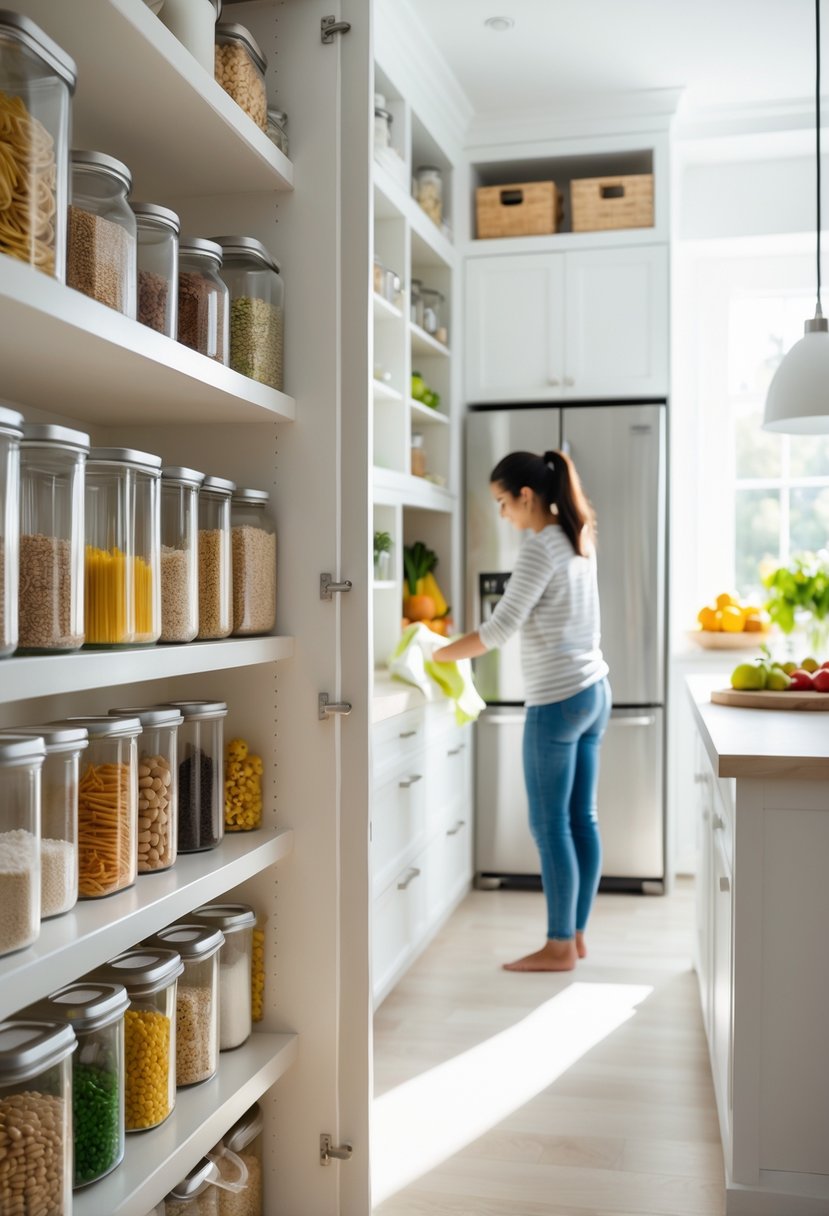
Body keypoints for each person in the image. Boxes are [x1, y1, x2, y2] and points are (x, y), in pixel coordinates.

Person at [433, 449, 611, 972]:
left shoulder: (540, 549)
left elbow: (497, 631)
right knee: (582, 819)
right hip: (595, 691)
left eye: (502, 503)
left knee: (550, 825)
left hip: (557, 702)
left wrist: (434, 650)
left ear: (526, 496)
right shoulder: (579, 538)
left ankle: (558, 947)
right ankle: (574, 937)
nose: (503, 515)